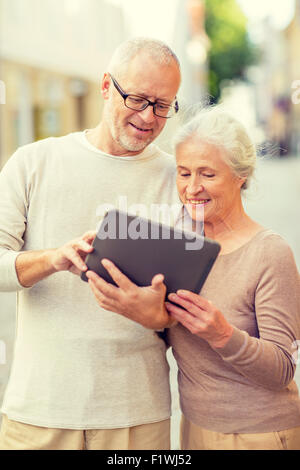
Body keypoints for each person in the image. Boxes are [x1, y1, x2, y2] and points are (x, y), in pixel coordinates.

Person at [0, 37, 181, 450]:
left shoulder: (180, 179)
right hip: (40, 412)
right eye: (137, 99)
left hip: (137, 415)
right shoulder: (34, 162)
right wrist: (52, 259)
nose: (148, 117)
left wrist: (160, 316)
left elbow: (192, 300)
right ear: (105, 86)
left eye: (163, 105)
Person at [86, 106, 300, 450]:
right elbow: (168, 330)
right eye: (184, 174)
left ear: (240, 175)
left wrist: (223, 335)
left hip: (260, 433)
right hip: (193, 427)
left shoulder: (270, 252)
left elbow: (282, 369)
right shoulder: (175, 242)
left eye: (208, 174)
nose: (193, 188)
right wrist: (149, 313)